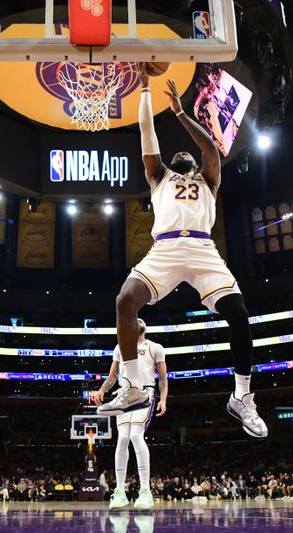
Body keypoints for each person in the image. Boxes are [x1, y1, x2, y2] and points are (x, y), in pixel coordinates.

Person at [96, 65, 267, 441]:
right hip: (166, 248)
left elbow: (209, 145)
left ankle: (242, 395)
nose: (182, 152)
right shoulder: (158, 176)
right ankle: (134, 387)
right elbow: (146, 134)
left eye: (186, 152)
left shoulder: (208, 177)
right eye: (179, 153)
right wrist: (142, 88)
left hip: (203, 248)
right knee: (125, 301)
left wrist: (178, 112)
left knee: (238, 315)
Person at [94, 318, 167, 510]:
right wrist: (102, 390)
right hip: (124, 394)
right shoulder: (120, 347)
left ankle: (145, 491)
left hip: (145, 393)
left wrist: (164, 399)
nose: (138, 319)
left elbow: (163, 379)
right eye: (135, 319)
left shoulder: (155, 347)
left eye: (141, 319)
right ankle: (119, 492)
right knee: (122, 439)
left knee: (136, 435)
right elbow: (112, 376)